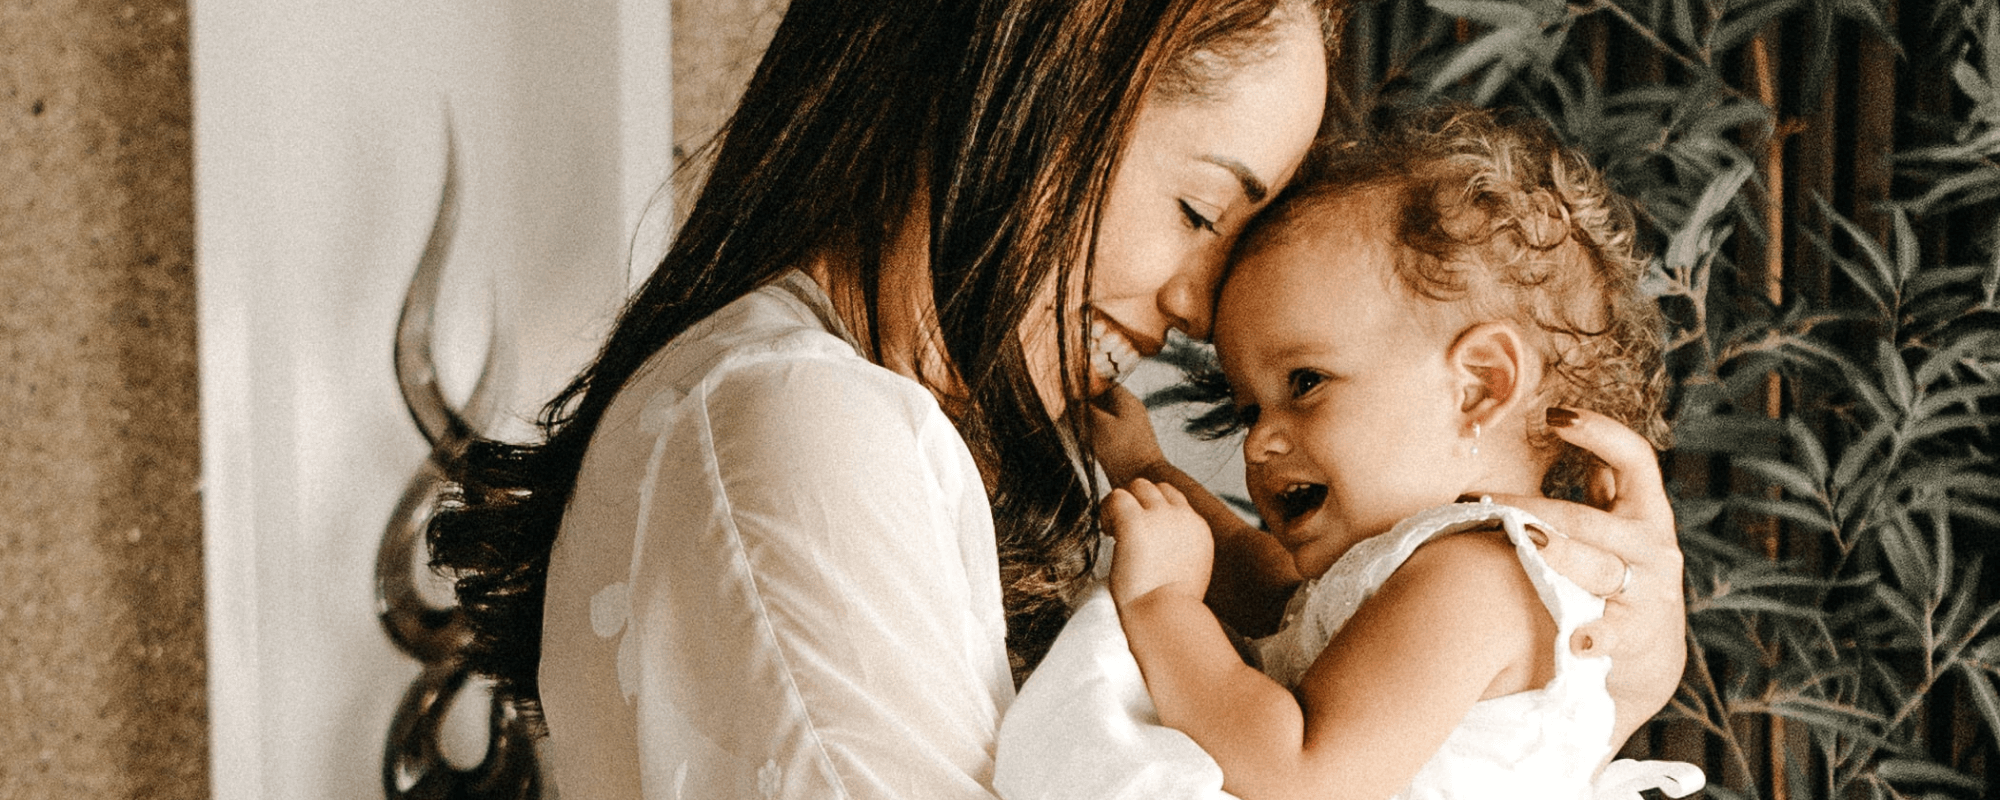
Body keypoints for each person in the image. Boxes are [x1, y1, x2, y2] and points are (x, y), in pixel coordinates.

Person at [425, 1, 1688, 797]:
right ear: (1048, 71)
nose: (1198, 309)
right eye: (1201, 209)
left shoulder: (884, 421)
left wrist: (1596, 685)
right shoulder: (805, 422)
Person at [996, 105, 1701, 800]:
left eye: (1305, 383)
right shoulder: (1419, 567)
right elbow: (1275, 595)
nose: (1260, 440)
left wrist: (1161, 603)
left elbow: (1301, 773)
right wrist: (1149, 472)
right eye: (1249, 407)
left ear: (1479, 387)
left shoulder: (1474, 580)